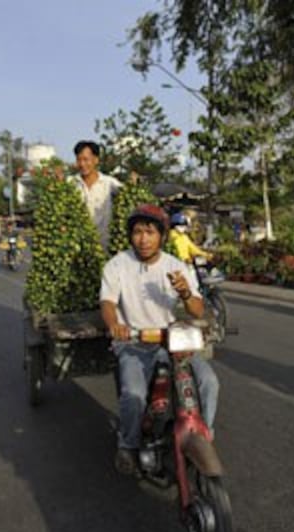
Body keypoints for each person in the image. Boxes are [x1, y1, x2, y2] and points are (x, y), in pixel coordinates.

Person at [100, 204, 219, 475]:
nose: (143, 238)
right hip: (132, 342)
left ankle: (205, 435)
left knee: (209, 382)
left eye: (150, 232)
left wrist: (187, 293)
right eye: (138, 232)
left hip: (172, 342)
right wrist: (115, 325)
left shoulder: (176, 267)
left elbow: (198, 310)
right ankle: (128, 445)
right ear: (131, 235)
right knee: (134, 394)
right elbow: (107, 303)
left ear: (162, 236)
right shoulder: (117, 265)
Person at [70, 140, 122, 248]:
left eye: (86, 159)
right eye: (79, 160)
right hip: (78, 244)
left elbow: (127, 194)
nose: (82, 164)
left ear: (96, 160)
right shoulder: (70, 183)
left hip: (104, 244)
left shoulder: (109, 183)